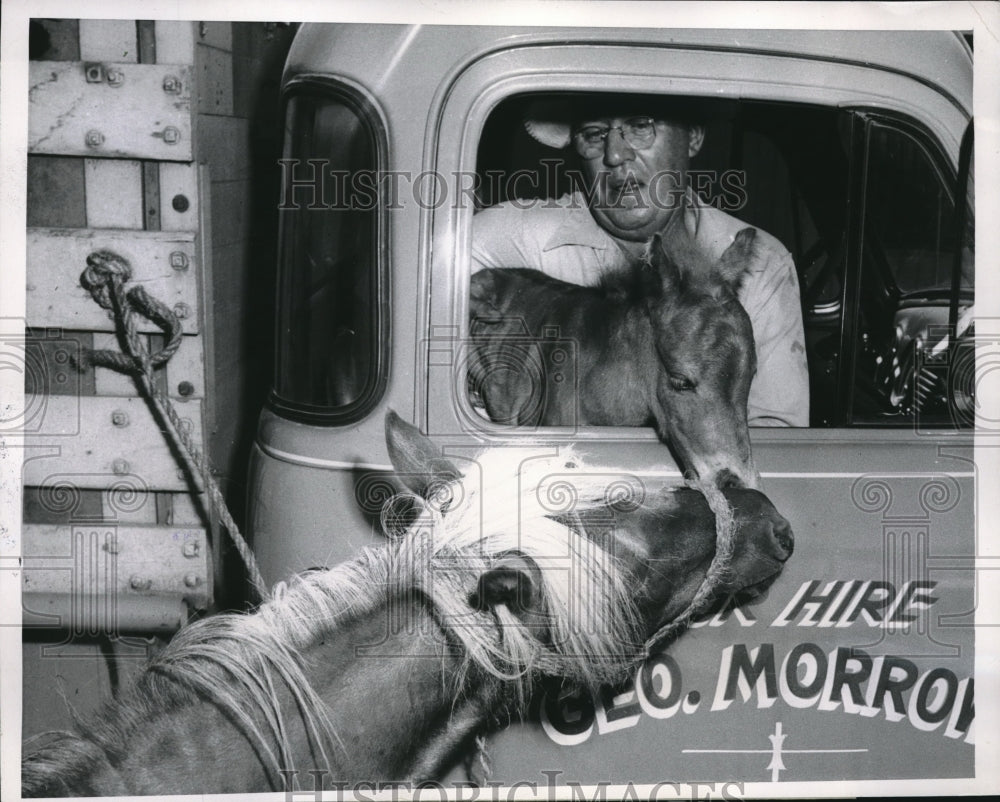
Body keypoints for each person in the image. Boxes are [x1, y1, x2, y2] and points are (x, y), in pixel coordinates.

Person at [471, 96, 810, 427]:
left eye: (639, 126)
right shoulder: (508, 239)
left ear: (693, 136)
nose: (616, 154)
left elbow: (775, 439)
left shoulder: (761, 264)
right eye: (595, 134)